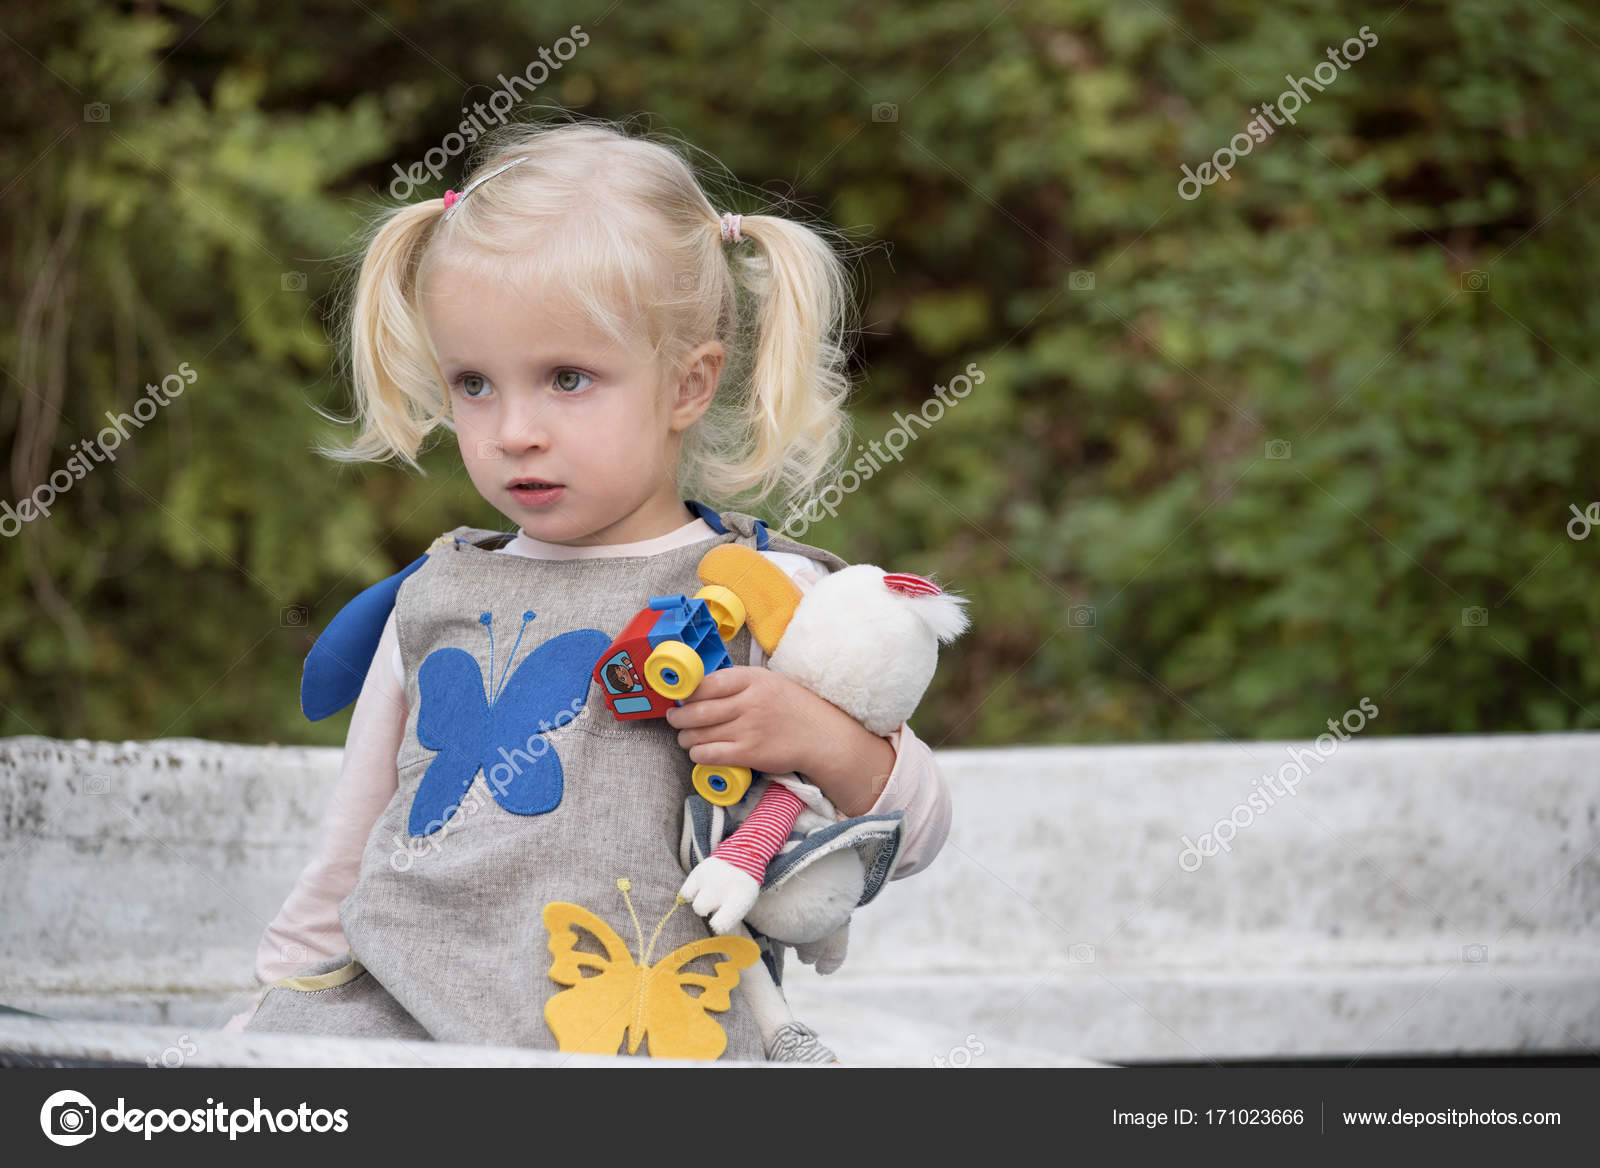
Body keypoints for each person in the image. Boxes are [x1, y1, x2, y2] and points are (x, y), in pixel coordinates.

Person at [229, 117, 953, 1062]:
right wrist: (263, 1020)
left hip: (644, 1033)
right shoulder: (440, 591)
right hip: (405, 1026)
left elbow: (925, 827)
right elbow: (349, 853)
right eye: (475, 384)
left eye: (567, 379)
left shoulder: (760, 592)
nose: (513, 430)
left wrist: (822, 738)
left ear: (688, 385)